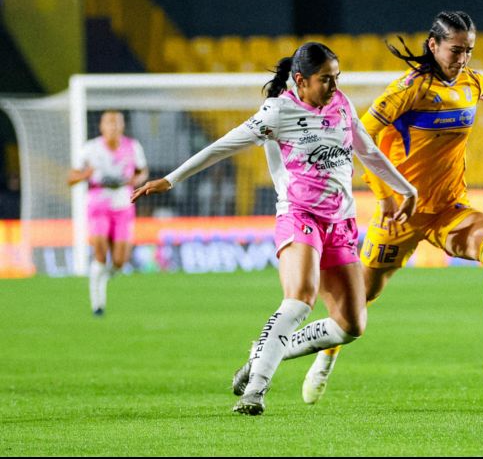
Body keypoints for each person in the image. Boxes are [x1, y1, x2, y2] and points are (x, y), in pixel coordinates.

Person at [131, 42, 417, 416]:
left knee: (351, 325)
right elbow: (224, 145)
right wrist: (171, 179)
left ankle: (262, 352)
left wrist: (406, 189)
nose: (333, 86)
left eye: (336, 78)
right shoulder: (278, 111)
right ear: (301, 80)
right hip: (299, 216)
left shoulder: (341, 105)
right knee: (299, 298)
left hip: (341, 222)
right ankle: (256, 390)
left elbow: (369, 153)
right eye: (325, 79)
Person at [301, 11, 483, 406]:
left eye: (469, 51)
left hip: (448, 209)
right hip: (400, 216)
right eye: (455, 50)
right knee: (358, 304)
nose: (462, 58)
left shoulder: (473, 83)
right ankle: (325, 359)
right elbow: (359, 134)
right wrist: (386, 193)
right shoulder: (410, 90)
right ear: (433, 45)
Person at [67, 110, 149, 316]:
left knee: (120, 261)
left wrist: (137, 181)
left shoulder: (132, 146)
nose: (113, 127)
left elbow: (142, 171)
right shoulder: (90, 149)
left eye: (117, 123)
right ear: (101, 127)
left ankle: (101, 277)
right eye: (109, 123)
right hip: (98, 205)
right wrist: (87, 174)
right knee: (101, 254)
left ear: (122, 126)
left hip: (123, 205)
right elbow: (71, 178)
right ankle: (97, 302)